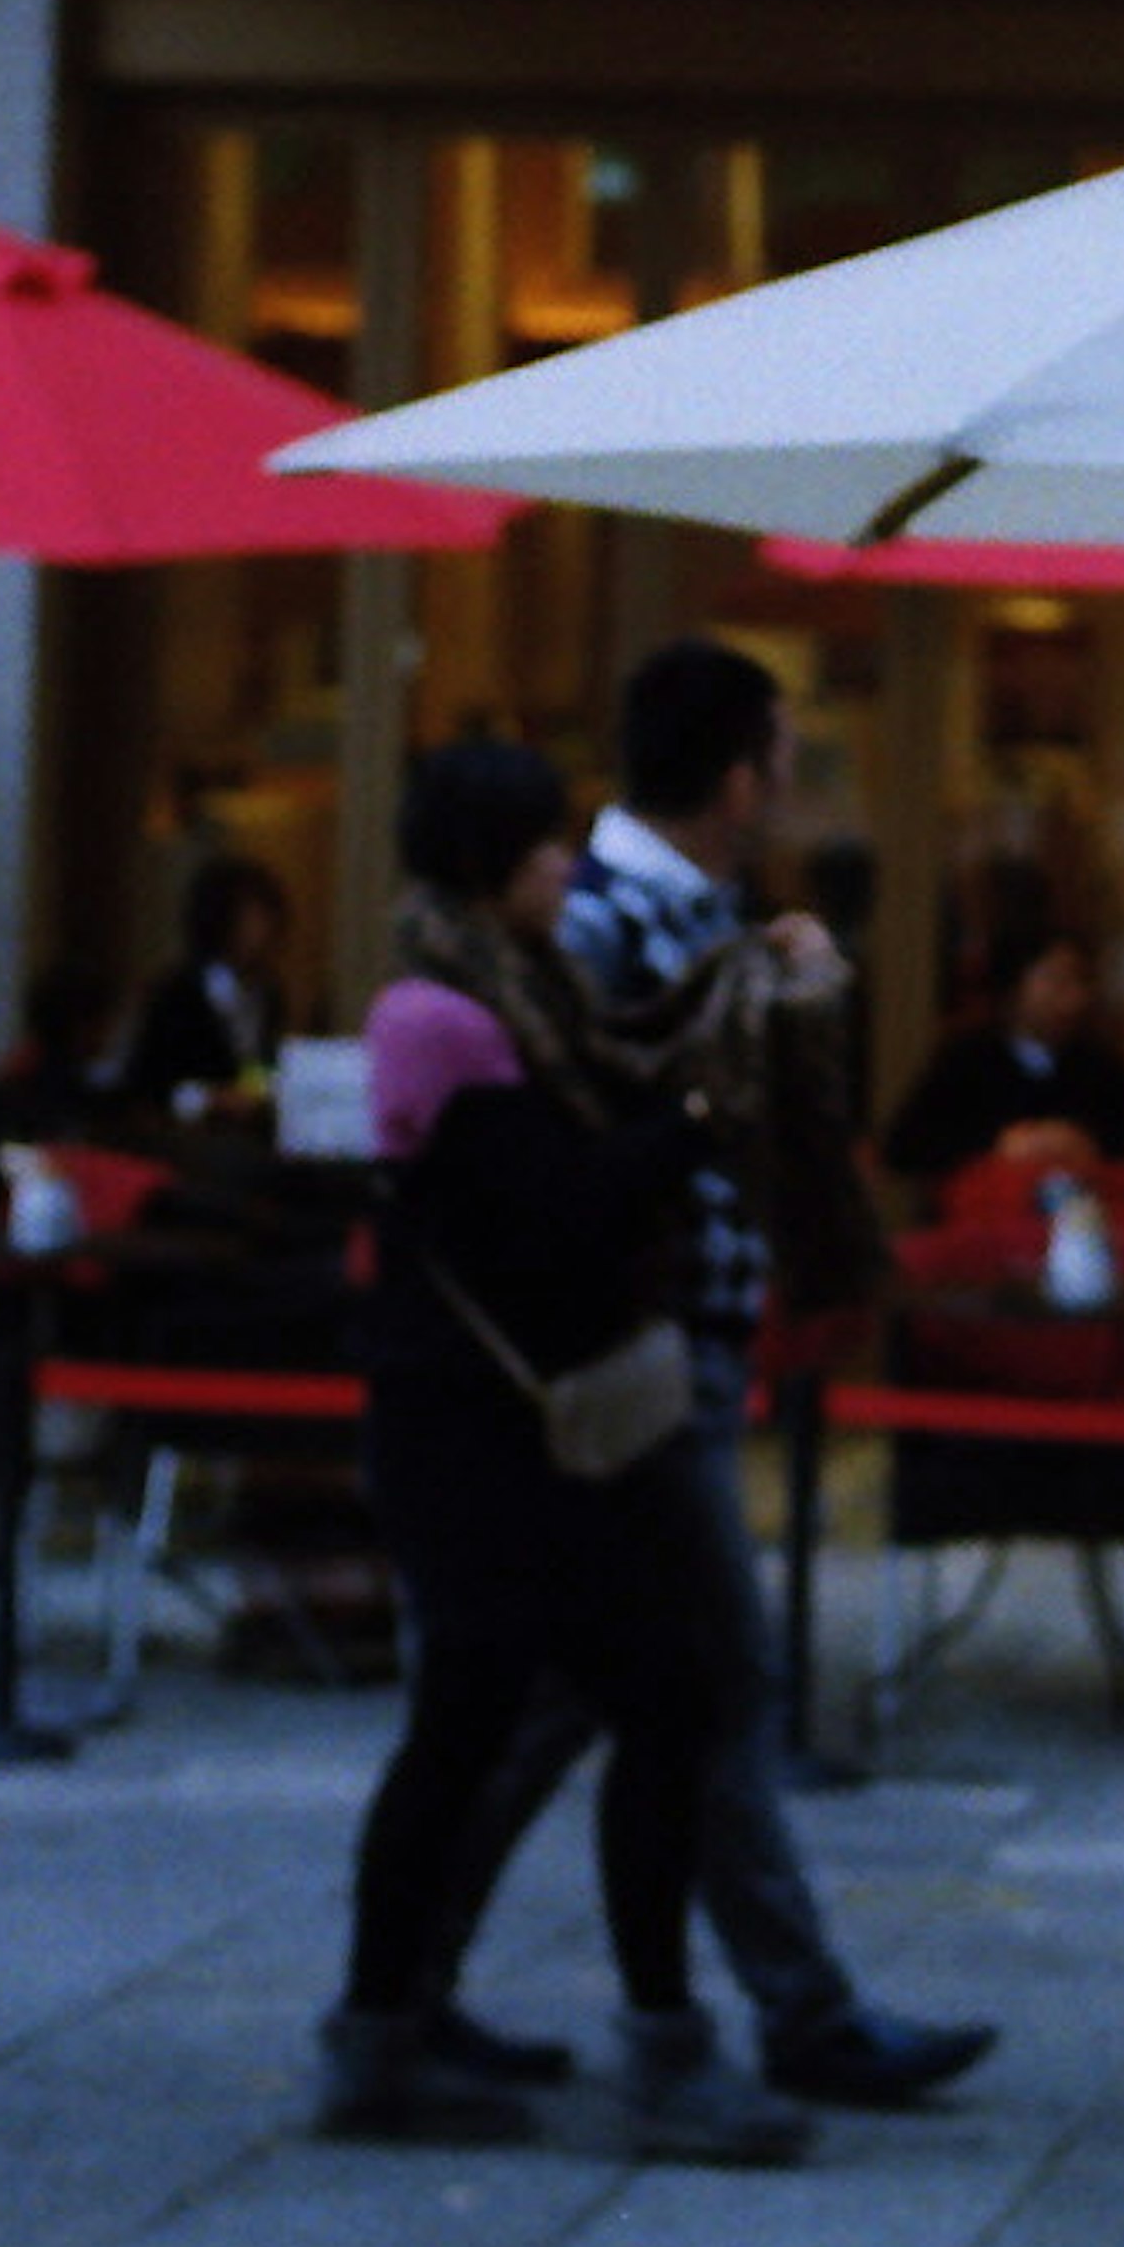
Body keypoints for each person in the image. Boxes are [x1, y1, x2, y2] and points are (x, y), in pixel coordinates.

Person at [429, 637, 995, 2116]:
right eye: (781, 755)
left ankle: (400, 1987)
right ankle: (788, 2014)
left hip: (683, 1352)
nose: (789, 783)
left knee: (571, 1694)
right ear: (743, 774)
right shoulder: (606, 924)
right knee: (713, 1679)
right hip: (631, 1359)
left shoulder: (702, 918)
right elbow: (595, 1143)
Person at [319, 738, 805, 2160]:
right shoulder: (442, 1015)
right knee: (640, 1699)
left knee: (502, 1721)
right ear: (486, 858)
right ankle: (646, 2051)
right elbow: (541, 1213)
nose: (563, 865)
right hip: (480, 1435)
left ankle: (388, 2028)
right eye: (541, 845)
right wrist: (702, 1116)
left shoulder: (524, 996)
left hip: (519, 1429)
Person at [881, 920, 1124, 1216]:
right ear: (1012, 987)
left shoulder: (1099, 1064)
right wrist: (1001, 1144)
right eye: (1055, 981)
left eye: (1080, 982)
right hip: (983, 1225)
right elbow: (904, 1147)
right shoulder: (967, 1059)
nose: (1072, 999)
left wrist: (1080, 1143)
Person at [117, 852, 290, 1117]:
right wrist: (209, 1098)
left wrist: (257, 1092)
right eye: (251, 918)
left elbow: (257, 1064)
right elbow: (146, 1082)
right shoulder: (176, 993)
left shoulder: (267, 994)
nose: (263, 930)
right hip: (183, 1139)